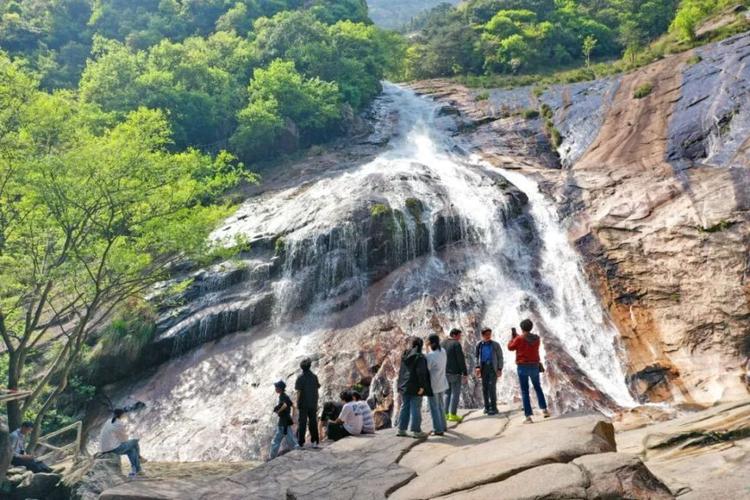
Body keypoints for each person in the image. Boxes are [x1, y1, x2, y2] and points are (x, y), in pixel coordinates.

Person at [508, 319, 550, 423]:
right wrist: (517, 337)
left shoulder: (519, 339)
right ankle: (544, 410)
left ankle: (528, 417)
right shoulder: (537, 338)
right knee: (538, 387)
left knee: (525, 391)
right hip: (535, 366)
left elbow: (511, 347)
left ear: (522, 328)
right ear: (531, 327)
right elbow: (527, 342)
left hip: (523, 367)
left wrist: (512, 338)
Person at [396, 336, 431, 438]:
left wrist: (400, 385)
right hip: (416, 386)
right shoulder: (419, 357)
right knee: (415, 407)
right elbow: (421, 373)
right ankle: (416, 431)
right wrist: (422, 386)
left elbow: (402, 371)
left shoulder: (405, 355)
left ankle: (401, 429)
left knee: (404, 406)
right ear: (420, 346)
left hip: (404, 386)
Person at [99, 409, 143, 477]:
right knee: (135, 441)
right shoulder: (119, 423)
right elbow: (124, 439)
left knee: (131, 450)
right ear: (122, 415)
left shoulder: (108, 421)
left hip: (104, 449)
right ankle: (139, 458)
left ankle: (136, 471)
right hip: (112, 449)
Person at [475, 327, 503, 415]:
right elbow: (476, 356)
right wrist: (477, 367)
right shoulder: (479, 345)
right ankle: (486, 407)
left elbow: (500, 357)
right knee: (484, 388)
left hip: (492, 367)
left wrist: (499, 369)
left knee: (491, 387)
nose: (488, 336)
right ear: (482, 335)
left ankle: (494, 407)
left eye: (489, 334)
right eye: (486, 334)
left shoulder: (495, 344)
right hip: (483, 368)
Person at [269, 380, 300, 459]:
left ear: (280, 388)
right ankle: (297, 450)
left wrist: (278, 411)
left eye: (276, 387)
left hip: (283, 421)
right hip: (286, 420)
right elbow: (293, 406)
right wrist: (292, 417)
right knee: (290, 439)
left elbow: (285, 405)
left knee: (276, 440)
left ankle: (272, 457)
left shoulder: (283, 396)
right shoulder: (285, 396)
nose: (275, 389)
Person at [294, 357, 321, 448]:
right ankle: (315, 441)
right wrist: (316, 402)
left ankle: (301, 443)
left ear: (301, 367)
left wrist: (297, 402)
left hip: (303, 403)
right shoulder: (314, 377)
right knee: (313, 422)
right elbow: (317, 390)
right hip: (313, 403)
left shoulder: (300, 378)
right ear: (309, 366)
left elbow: (299, 392)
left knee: (302, 423)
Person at [443, 328, 468, 422]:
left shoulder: (443, 343)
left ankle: (445, 414)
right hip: (455, 373)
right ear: (454, 335)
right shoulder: (456, 344)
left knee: (447, 393)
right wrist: (464, 373)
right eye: (459, 335)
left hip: (445, 373)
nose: (460, 338)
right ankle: (452, 414)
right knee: (455, 393)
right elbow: (460, 359)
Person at [425, 334, 448, 436]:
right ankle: (443, 425)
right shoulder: (443, 351)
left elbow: (427, 367)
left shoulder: (431, 356)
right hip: (442, 382)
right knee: (441, 406)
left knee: (434, 407)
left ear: (431, 343)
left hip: (433, 384)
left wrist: (426, 348)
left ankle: (438, 429)